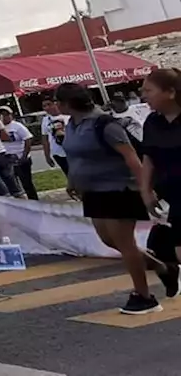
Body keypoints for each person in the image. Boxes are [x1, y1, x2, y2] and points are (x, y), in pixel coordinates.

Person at [57, 81, 160, 314]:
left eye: (58, 101)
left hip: (119, 189)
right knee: (108, 240)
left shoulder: (104, 124)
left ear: (66, 103)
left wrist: (146, 190)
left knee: (125, 243)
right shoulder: (72, 124)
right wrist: (73, 180)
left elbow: (132, 158)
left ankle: (144, 296)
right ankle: (164, 268)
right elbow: (74, 156)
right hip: (92, 191)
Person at [137, 67, 181, 299]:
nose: (144, 96)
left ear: (171, 92)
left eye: (149, 90)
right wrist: (145, 190)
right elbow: (148, 158)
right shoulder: (153, 122)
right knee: (166, 250)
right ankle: (170, 270)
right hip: (171, 194)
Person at [0, 106, 38, 200]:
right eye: (1, 115)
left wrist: (24, 156)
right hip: (7, 159)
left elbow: (28, 139)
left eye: (6, 114)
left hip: (20, 157)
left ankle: (34, 201)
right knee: (12, 184)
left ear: (11, 115)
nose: (4, 117)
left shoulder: (17, 126)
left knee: (26, 183)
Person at [41, 94, 70, 175]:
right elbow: (45, 139)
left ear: (55, 103)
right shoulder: (45, 120)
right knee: (68, 174)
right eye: (44, 106)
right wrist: (47, 156)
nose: (47, 108)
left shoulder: (67, 116)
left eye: (49, 104)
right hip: (57, 153)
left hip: (71, 151)